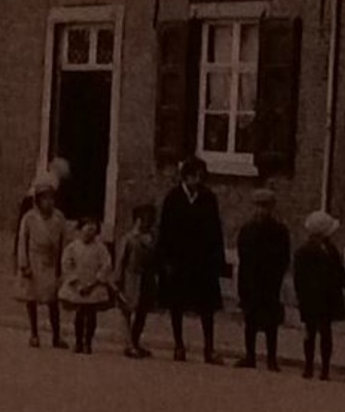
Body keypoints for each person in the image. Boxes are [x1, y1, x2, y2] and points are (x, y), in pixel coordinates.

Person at [157, 156, 227, 364]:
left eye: (201, 177)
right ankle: (179, 345)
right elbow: (165, 231)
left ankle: (209, 348)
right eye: (195, 176)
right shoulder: (173, 198)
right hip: (179, 262)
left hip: (202, 262)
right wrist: (166, 261)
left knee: (207, 307)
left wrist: (217, 260)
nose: (198, 181)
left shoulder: (208, 198)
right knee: (176, 305)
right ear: (186, 177)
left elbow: (215, 231)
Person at [235, 188, 292, 371]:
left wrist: (276, 277)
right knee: (250, 320)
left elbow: (284, 257)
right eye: (258, 206)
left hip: (270, 281)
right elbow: (243, 255)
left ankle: (271, 358)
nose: (261, 210)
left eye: (265, 206)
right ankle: (250, 355)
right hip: (250, 280)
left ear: (272, 208)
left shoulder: (279, 231)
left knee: (270, 322)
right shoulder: (247, 230)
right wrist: (243, 283)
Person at [294, 210, 345, 380]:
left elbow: (339, 272)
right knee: (310, 332)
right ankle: (309, 366)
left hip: (327, 297)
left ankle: (324, 368)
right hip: (312, 298)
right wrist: (301, 297)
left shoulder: (330, 250)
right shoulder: (304, 252)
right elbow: (299, 278)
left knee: (325, 332)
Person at [15, 173, 68, 348]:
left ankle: (56, 336)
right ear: (38, 201)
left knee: (53, 302)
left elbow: (63, 243)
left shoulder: (59, 219)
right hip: (34, 261)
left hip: (51, 262)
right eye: (44, 199)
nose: (49, 202)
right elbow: (22, 241)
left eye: (51, 199)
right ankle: (34, 334)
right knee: (32, 299)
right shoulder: (29, 218)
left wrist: (63, 265)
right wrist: (24, 265)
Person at [59, 217, 113, 354]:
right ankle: (78, 341)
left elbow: (106, 265)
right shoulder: (73, 247)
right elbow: (66, 265)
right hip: (78, 285)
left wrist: (95, 282)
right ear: (80, 229)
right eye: (87, 229)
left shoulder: (100, 248)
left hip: (94, 285)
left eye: (93, 230)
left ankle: (88, 342)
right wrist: (76, 283)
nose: (90, 233)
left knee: (91, 315)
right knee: (80, 314)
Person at [115, 203, 158, 359]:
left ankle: (135, 341)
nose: (147, 223)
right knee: (127, 311)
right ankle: (128, 344)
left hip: (147, 278)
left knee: (142, 312)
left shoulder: (152, 239)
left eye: (149, 220)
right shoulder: (129, 239)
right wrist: (117, 282)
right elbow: (120, 261)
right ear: (137, 220)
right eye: (144, 219)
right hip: (131, 278)